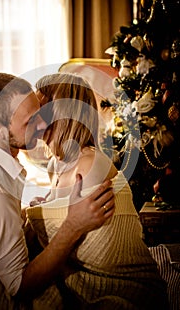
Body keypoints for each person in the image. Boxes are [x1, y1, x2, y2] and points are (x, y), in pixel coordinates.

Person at [0, 72, 116, 310]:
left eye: (40, 111)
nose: (43, 124)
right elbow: (20, 286)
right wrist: (73, 226)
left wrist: (25, 216)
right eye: (30, 121)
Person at [25, 72, 169, 309]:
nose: (33, 117)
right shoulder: (56, 165)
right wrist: (47, 208)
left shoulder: (90, 163)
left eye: (41, 107)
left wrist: (48, 217)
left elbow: (83, 237)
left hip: (124, 287)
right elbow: (65, 218)